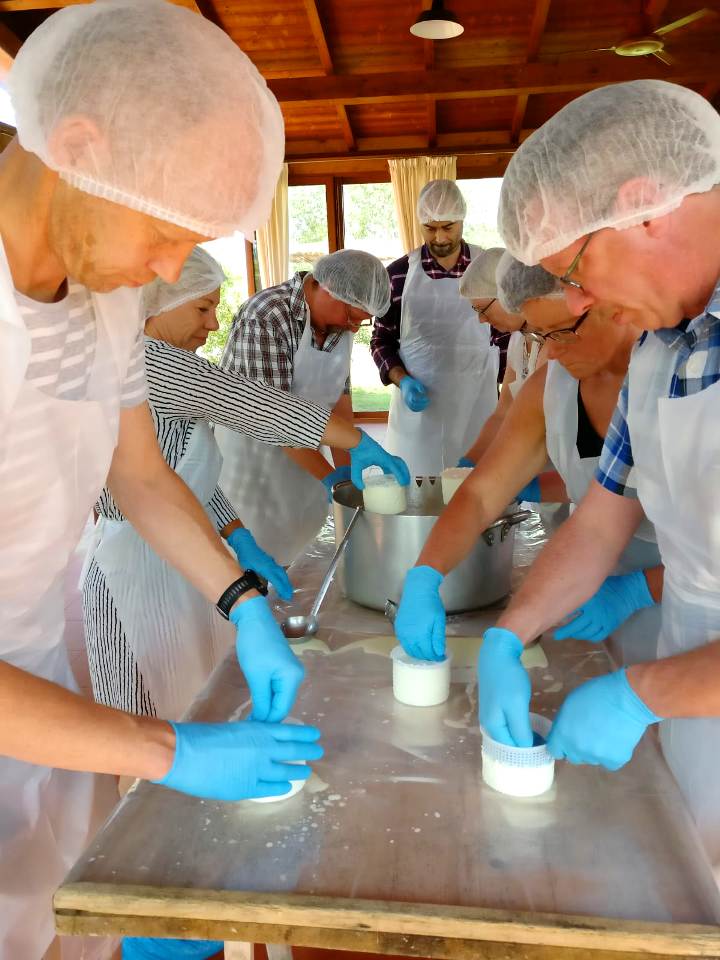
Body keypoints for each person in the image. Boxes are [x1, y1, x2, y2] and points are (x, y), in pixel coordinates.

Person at [0, 4, 332, 957]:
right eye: (163, 234)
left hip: (36, 681)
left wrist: (240, 600)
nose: (166, 269)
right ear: (76, 145)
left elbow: (139, 472)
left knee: (54, 920)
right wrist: (168, 750)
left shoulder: (105, 294)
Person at [481, 79, 720, 875]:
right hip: (694, 700)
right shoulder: (663, 349)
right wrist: (510, 634)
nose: (584, 301)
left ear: (646, 206)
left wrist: (639, 694)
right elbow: (597, 521)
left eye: (577, 269)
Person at [82, 247, 399, 722]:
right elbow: (249, 402)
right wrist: (355, 441)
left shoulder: (164, 359)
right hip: (131, 568)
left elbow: (186, 479)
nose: (213, 324)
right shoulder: (147, 361)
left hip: (184, 559)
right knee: (139, 720)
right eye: (203, 308)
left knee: (195, 703)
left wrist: (236, 535)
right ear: (161, 300)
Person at [395, 257, 661, 666]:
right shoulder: (551, 390)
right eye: (539, 334)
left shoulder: (683, 380)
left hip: (693, 594)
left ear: (607, 302)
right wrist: (425, 576)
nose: (551, 351)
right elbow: (482, 496)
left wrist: (640, 589)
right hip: (592, 586)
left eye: (562, 332)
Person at [216, 249, 409, 565]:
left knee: (298, 563)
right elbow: (274, 419)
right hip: (250, 472)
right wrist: (335, 482)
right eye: (351, 317)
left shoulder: (339, 327)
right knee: (252, 565)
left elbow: (340, 405)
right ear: (328, 289)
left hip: (301, 469)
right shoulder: (266, 317)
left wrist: (346, 472)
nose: (352, 328)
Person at [371, 179, 500, 475]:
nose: (440, 237)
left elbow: (507, 337)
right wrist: (402, 380)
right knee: (417, 492)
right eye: (430, 228)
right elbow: (381, 340)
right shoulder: (399, 275)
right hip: (417, 417)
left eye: (448, 227)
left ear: (462, 221)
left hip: (477, 409)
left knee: (475, 491)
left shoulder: (488, 269)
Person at [457, 247, 546, 466]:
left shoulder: (555, 340)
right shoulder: (518, 340)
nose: (481, 320)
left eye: (482, 309)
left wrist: (499, 470)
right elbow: (503, 412)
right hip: (529, 466)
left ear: (508, 293)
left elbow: (537, 423)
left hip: (558, 471)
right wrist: (472, 460)